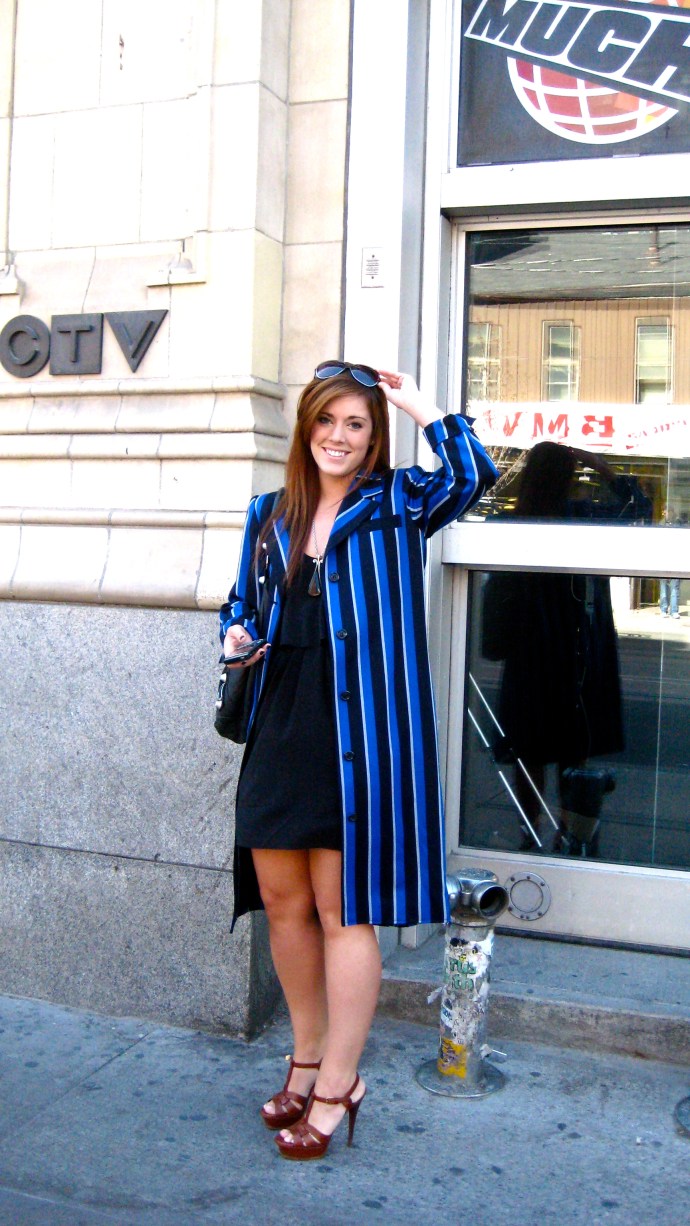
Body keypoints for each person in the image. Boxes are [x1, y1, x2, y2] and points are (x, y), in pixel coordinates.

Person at [219, 360, 497, 1160]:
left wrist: (417, 405)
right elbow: (241, 602)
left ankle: (340, 1083)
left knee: (343, 910)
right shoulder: (269, 512)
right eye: (327, 420)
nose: (338, 437)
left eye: (357, 424)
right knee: (283, 902)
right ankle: (305, 1059)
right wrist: (235, 636)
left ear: (374, 439)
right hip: (281, 724)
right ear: (305, 426)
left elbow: (475, 472)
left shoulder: (399, 502)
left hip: (361, 736)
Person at [480, 441, 651, 855]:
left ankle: (530, 830)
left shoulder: (511, 521)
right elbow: (639, 508)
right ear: (569, 477)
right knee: (573, 751)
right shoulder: (581, 517)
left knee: (529, 751)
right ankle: (572, 833)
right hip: (576, 651)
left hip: (529, 653)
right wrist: (602, 466)